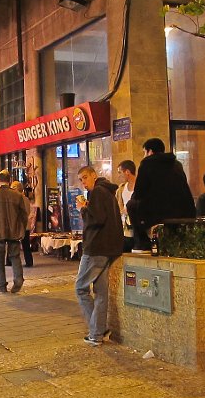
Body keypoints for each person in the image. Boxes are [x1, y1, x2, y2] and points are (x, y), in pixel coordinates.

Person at [75, 166, 123, 347]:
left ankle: (97, 331)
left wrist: (82, 209)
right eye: (81, 180)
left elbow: (96, 219)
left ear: (94, 176)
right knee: (101, 292)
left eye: (85, 177)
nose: (84, 182)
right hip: (110, 248)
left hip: (96, 248)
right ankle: (98, 332)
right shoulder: (108, 192)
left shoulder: (97, 192)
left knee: (80, 288)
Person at [127, 138, 195, 252]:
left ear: (150, 151)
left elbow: (139, 192)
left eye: (144, 152)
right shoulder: (176, 164)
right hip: (185, 210)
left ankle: (142, 243)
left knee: (131, 205)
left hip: (160, 211)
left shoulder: (147, 164)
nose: (144, 155)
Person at [0, 170, 29, 293]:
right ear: (9, 180)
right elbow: (23, 215)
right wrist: (21, 230)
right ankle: (18, 280)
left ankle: (1, 285)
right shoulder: (17, 195)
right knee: (15, 256)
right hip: (14, 231)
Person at [9, 180, 34, 267]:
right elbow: (28, 211)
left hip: (17, 224)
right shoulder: (26, 199)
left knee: (11, 242)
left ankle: (9, 261)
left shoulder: (15, 199)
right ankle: (29, 261)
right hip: (26, 224)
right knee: (26, 244)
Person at [115, 160, 136, 253]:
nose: (118, 176)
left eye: (120, 172)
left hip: (138, 227)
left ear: (127, 172)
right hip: (125, 228)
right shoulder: (121, 188)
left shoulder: (140, 186)